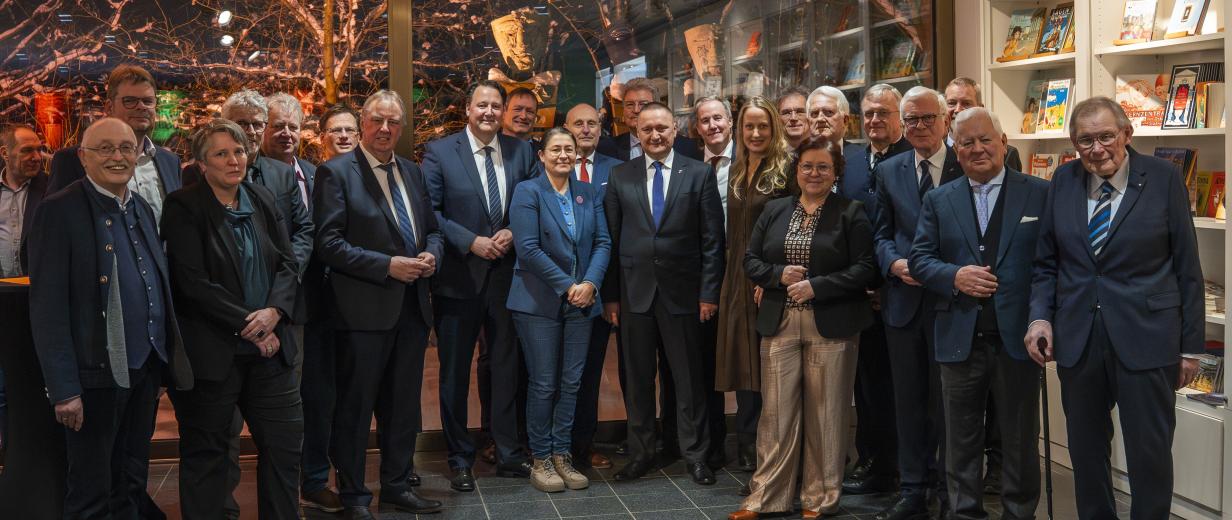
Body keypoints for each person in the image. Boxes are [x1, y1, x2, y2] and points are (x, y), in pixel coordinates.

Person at [1026, 97, 1203, 520]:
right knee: (1086, 453)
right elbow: (1046, 263)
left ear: (1127, 134)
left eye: (1106, 136)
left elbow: (1187, 267)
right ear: (1074, 143)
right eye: (1085, 140)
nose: (1097, 148)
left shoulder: (1163, 178)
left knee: (1150, 455)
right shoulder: (1063, 180)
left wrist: (1192, 348)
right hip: (1079, 340)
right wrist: (1039, 317)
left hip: (1148, 338)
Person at [29, 117, 193, 519]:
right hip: (94, 377)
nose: (118, 156)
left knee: (130, 482)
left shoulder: (138, 206)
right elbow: (47, 308)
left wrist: (161, 363)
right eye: (105, 148)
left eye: (125, 148)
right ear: (83, 158)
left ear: (138, 154)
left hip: (144, 370)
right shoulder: (58, 211)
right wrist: (64, 389)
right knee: (90, 491)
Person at [160, 119, 303, 519]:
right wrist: (250, 324)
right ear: (201, 164)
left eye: (238, 151)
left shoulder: (261, 197)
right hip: (214, 356)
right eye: (220, 154)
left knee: (284, 448)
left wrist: (274, 312)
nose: (233, 160)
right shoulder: (183, 206)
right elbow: (192, 283)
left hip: (271, 354)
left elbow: (288, 263)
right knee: (208, 459)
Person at [909, 108, 1046, 520]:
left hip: (1018, 340)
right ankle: (964, 514)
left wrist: (1043, 318)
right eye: (966, 143)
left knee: (1021, 441)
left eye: (985, 139)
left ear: (1003, 143)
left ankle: (1018, 513)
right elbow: (919, 259)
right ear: (956, 149)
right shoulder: (938, 199)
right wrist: (954, 276)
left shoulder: (1039, 193)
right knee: (960, 442)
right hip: (958, 338)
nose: (977, 149)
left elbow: (1050, 263)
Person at [730, 136, 876, 520]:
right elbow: (750, 260)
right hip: (779, 322)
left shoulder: (851, 212)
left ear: (836, 172)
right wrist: (778, 275)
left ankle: (820, 498)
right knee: (775, 415)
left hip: (832, 323)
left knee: (827, 415)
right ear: (797, 170)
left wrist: (817, 285)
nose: (814, 173)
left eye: (823, 167)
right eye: (807, 166)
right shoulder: (776, 210)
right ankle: (767, 497)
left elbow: (866, 268)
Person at [314, 89, 444, 519]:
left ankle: (396, 485)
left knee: (403, 406)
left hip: (411, 309)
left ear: (402, 127)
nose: (385, 129)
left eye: (393, 122)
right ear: (363, 123)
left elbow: (434, 231)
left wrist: (432, 255)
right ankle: (353, 495)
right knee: (355, 409)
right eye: (377, 120)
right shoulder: (335, 173)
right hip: (362, 313)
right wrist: (387, 265)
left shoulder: (413, 171)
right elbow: (329, 245)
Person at [422, 80, 539, 491]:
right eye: (482, 105)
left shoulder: (522, 151)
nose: (489, 112)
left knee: (507, 367)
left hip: (508, 278)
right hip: (458, 277)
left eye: (495, 106)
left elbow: (536, 199)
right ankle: (459, 457)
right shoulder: (440, 152)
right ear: (467, 109)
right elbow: (429, 211)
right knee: (454, 372)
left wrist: (512, 229)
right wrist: (469, 241)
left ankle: (508, 454)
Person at [602, 101, 724, 485]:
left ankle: (696, 456)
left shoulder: (699, 174)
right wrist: (611, 297)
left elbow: (712, 241)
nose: (655, 135)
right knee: (637, 381)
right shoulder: (620, 176)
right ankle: (640, 454)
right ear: (637, 134)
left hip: (684, 295)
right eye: (647, 129)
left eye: (662, 129)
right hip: (634, 295)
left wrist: (709, 293)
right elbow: (610, 240)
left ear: (675, 131)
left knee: (689, 381)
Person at [872, 86, 965, 520]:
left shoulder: (967, 163)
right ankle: (913, 489)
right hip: (904, 302)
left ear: (946, 120)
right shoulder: (889, 170)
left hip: (954, 301)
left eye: (928, 118)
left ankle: (951, 490)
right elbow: (881, 233)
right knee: (908, 401)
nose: (919, 127)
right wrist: (893, 264)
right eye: (910, 120)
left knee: (951, 403)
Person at [507, 127, 611, 492]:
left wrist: (590, 284)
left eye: (569, 149)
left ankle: (563, 456)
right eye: (556, 149)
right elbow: (529, 249)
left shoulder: (588, 191)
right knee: (544, 382)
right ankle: (541, 459)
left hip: (583, 301)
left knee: (571, 383)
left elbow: (602, 241)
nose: (564, 155)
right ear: (542, 155)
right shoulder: (528, 191)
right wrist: (569, 286)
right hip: (539, 301)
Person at [715, 95, 797, 474]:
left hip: (768, 277)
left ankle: (772, 443)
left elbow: (792, 229)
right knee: (742, 362)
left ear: (774, 128)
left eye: (763, 125)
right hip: (736, 276)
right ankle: (746, 442)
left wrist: (773, 276)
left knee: (767, 364)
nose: (755, 132)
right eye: (749, 126)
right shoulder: (734, 167)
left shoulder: (787, 169)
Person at [840, 83, 911, 497]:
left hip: (900, 292)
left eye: (883, 113)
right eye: (868, 113)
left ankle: (905, 467)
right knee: (866, 387)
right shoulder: (849, 160)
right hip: (856, 292)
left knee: (902, 387)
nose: (874, 121)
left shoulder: (911, 157)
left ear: (899, 116)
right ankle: (872, 463)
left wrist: (888, 283)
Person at [562, 103, 622, 470]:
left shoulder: (616, 171)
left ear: (600, 130)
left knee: (589, 373)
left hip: (598, 288)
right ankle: (552, 447)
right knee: (553, 375)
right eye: (578, 124)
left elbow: (616, 236)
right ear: (565, 129)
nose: (585, 129)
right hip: (555, 288)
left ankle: (583, 445)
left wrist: (606, 289)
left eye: (592, 124)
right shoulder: (550, 167)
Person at [48, 64, 181, 223]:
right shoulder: (72, 160)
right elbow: (53, 223)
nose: (141, 107)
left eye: (148, 101)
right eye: (130, 101)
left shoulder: (170, 162)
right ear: (109, 107)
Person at [596, 77, 701, 161]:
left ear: (657, 107)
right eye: (629, 104)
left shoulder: (688, 148)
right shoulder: (605, 149)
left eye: (643, 104)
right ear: (623, 109)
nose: (636, 110)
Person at [944, 77, 1022, 173]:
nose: (957, 109)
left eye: (966, 103)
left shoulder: (1005, 154)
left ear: (980, 108)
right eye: (952, 103)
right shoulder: (936, 152)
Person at [0, 123, 48, 277]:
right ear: (5, 153)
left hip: (36, 290)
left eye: (39, 150)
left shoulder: (52, 189)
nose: (37, 158)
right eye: (27, 150)